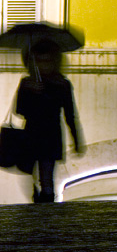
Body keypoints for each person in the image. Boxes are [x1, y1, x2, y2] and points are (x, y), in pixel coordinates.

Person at [15, 39, 84, 202]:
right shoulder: (27, 83)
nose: (43, 65)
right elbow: (20, 111)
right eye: (39, 60)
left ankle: (46, 211)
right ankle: (38, 200)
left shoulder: (62, 84)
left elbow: (69, 113)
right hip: (31, 134)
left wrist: (76, 138)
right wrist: (29, 91)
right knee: (29, 174)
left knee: (47, 179)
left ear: (54, 61)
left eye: (47, 60)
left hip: (50, 135)